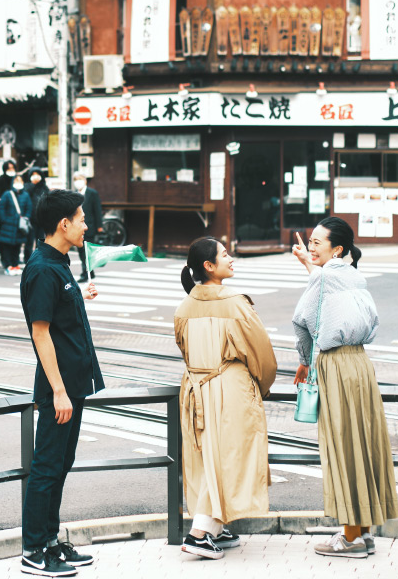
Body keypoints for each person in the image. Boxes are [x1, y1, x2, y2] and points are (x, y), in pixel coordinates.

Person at [290, 216, 398, 559]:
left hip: (334, 365)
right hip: (360, 365)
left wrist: (305, 360)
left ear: (337, 248)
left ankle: (350, 538)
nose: (311, 246)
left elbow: (302, 321)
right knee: (363, 442)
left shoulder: (323, 279)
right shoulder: (353, 275)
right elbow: (329, 296)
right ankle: (363, 532)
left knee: (343, 445)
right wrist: (311, 265)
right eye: (310, 241)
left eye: (317, 243)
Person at [19, 189, 104, 577]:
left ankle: (51, 541)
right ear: (63, 224)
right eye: (82, 219)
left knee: (61, 464)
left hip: (73, 384)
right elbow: (41, 333)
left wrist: (80, 295)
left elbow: (58, 315)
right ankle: (33, 550)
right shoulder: (41, 269)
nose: (88, 225)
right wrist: (57, 391)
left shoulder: (59, 265)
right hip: (61, 389)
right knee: (47, 467)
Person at [175, 237, 277, 560]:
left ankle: (215, 527)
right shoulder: (235, 304)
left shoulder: (185, 306)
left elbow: (183, 346)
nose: (230, 258)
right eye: (224, 254)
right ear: (209, 266)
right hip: (228, 387)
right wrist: (260, 386)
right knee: (231, 457)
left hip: (194, 388)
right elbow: (262, 355)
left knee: (205, 459)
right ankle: (199, 533)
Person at [0, 174, 33, 276]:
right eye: (16, 181)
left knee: (17, 247)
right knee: (7, 247)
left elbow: (29, 208)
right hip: (8, 226)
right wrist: (4, 220)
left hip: (19, 226)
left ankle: (15, 264)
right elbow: (2, 208)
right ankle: (8, 266)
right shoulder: (7, 194)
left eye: (20, 181)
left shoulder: (26, 195)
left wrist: (25, 218)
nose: (18, 183)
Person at [73, 172, 103, 283]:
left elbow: (97, 210)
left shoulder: (92, 193)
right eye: (76, 179)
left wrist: (99, 226)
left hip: (90, 226)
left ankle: (86, 273)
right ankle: (90, 271)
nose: (78, 182)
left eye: (80, 179)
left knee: (86, 251)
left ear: (85, 180)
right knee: (81, 250)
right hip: (77, 227)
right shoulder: (75, 194)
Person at [22, 168, 49, 264]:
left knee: (40, 241)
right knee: (29, 241)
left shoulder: (44, 188)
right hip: (30, 219)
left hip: (41, 219)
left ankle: (39, 259)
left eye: (38, 174)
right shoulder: (26, 187)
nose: (36, 176)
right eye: (33, 174)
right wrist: (32, 185)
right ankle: (27, 260)